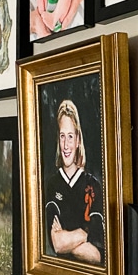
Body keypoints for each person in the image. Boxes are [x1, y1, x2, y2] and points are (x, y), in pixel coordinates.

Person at [44, 100, 104, 265]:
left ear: (78, 140)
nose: (66, 144)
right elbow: (57, 244)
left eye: (70, 136)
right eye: (62, 136)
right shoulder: (53, 184)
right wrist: (84, 234)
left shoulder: (93, 186)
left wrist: (67, 238)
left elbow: (98, 254)